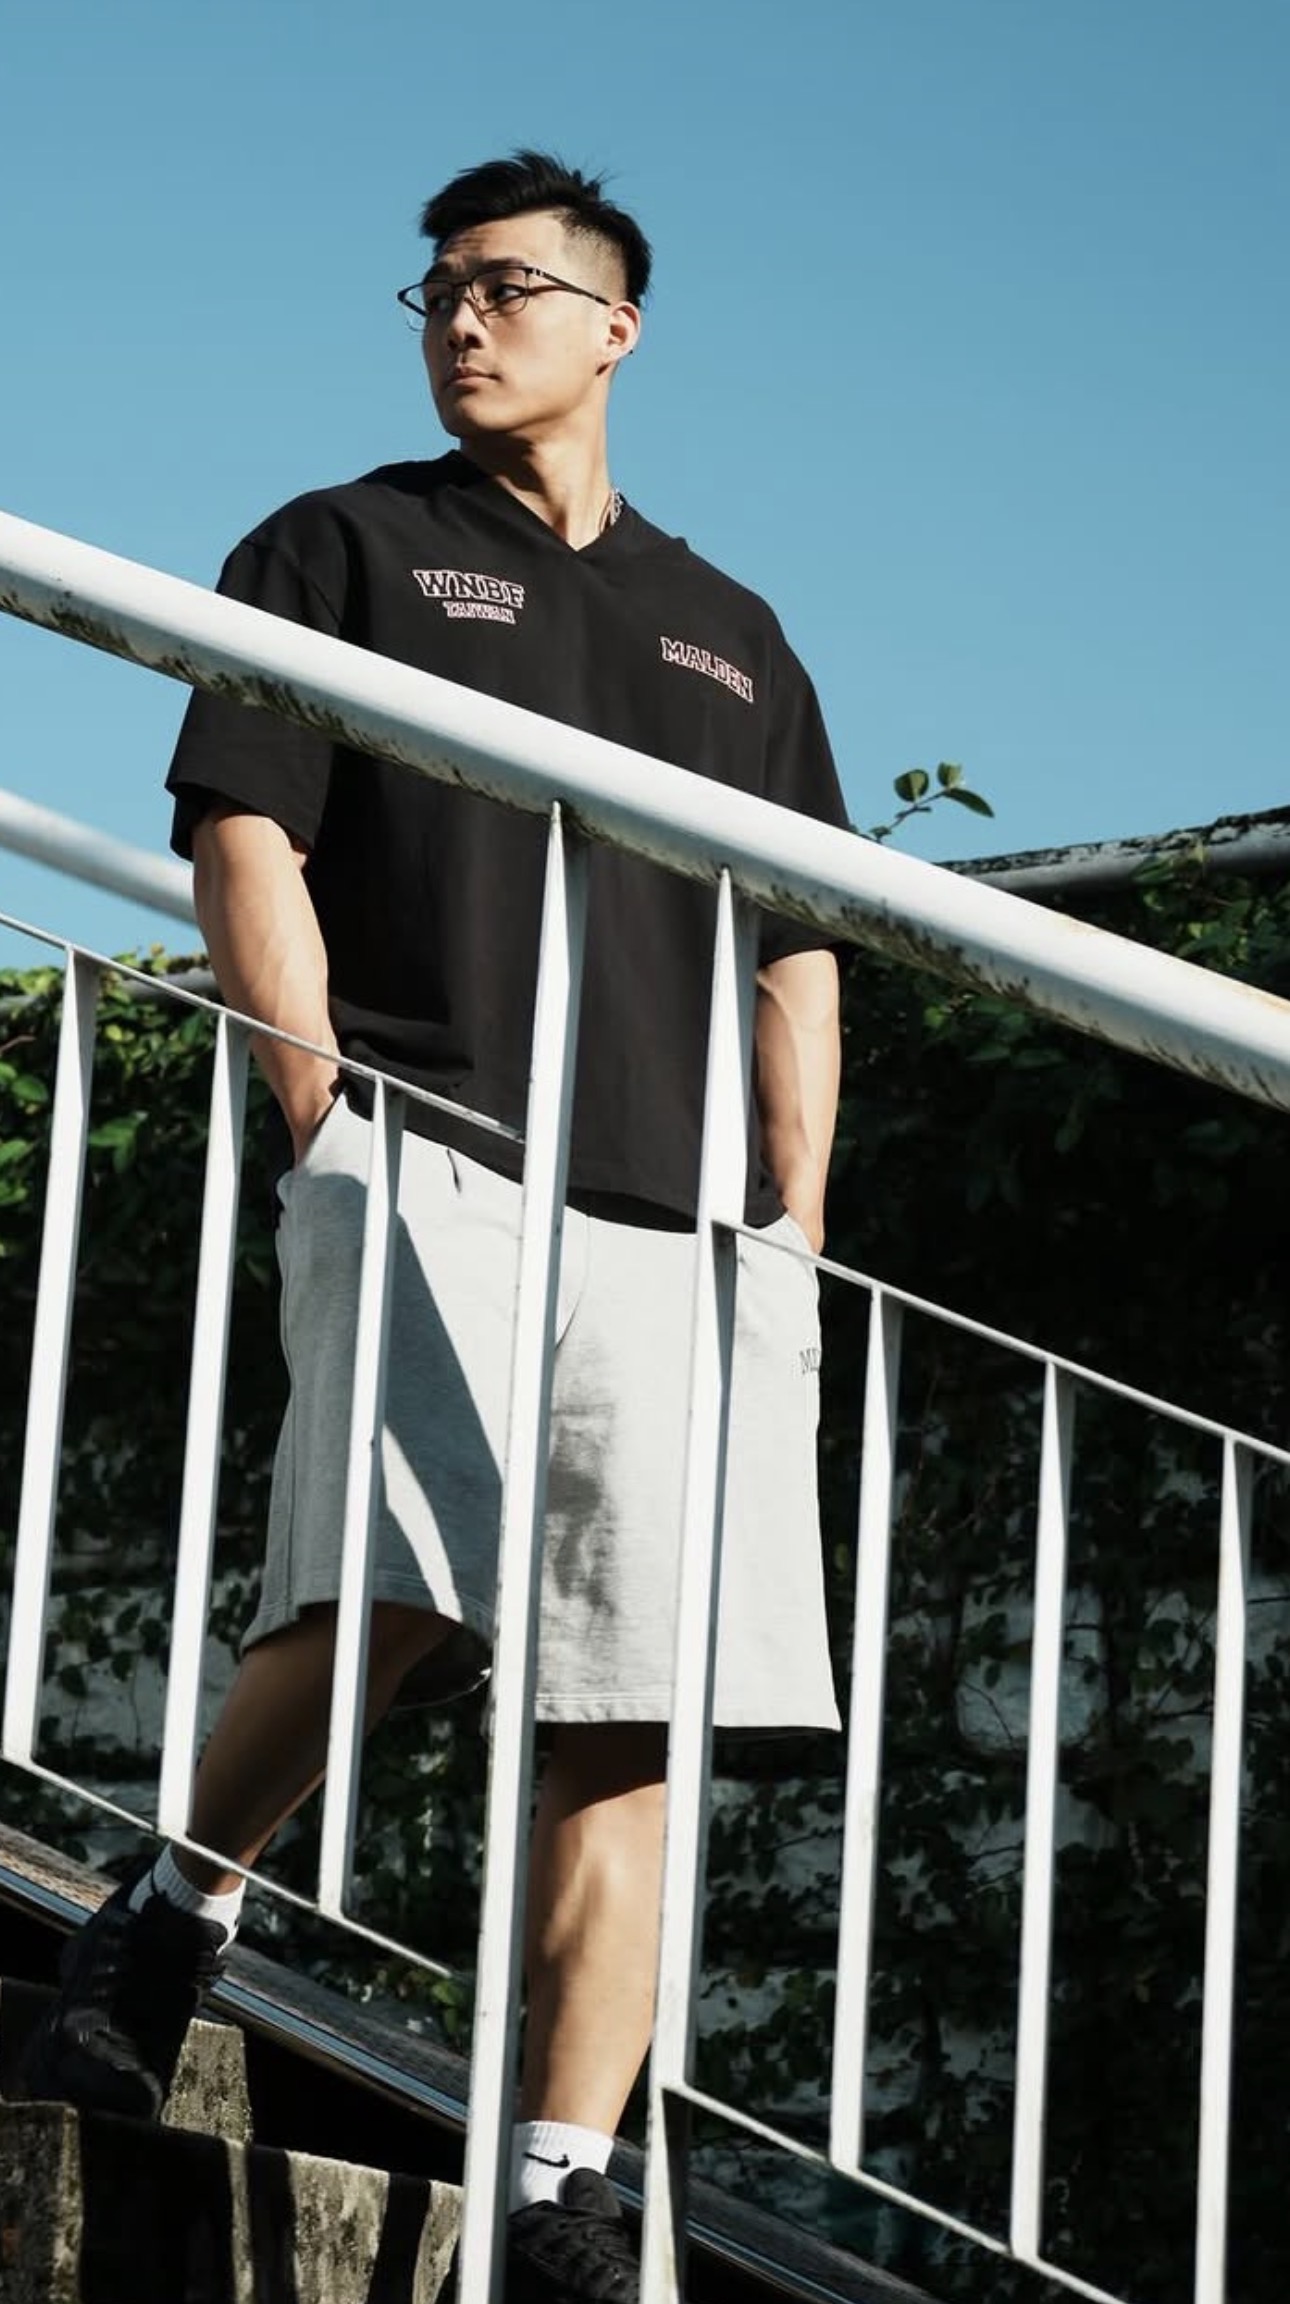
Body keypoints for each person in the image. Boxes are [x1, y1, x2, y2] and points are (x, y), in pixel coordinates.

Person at [22, 150, 848, 2302]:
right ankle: (174, 1914)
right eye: (433, 293)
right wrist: (320, 1110)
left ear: (614, 329)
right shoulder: (343, 544)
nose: (459, 320)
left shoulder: (732, 633)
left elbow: (800, 947)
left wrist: (793, 1217)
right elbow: (248, 832)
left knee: (626, 1706)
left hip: (687, 1225)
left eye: (503, 287)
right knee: (386, 1575)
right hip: (428, 1138)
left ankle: (568, 2174)